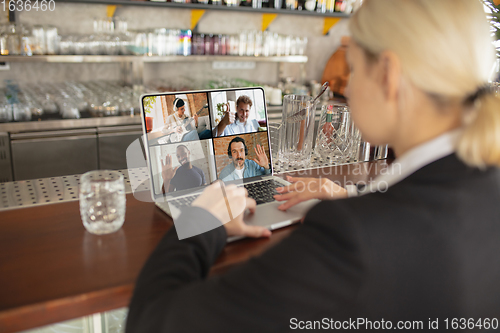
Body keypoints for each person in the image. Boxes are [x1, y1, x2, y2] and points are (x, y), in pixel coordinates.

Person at [126, 1, 500, 332]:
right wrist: (352, 193)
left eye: (353, 68)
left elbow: (151, 321)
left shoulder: (351, 238)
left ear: (387, 73)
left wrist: (199, 222)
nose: (348, 89)